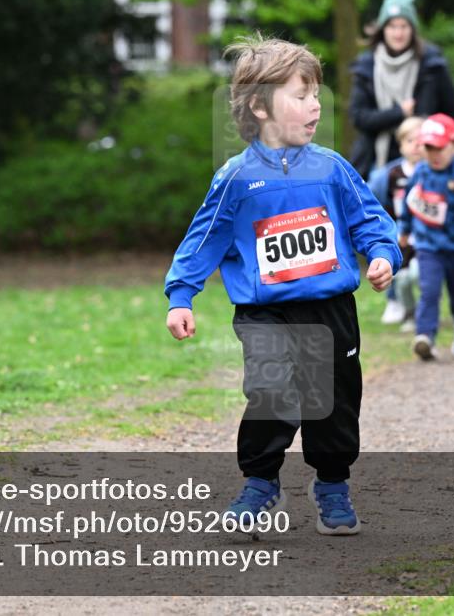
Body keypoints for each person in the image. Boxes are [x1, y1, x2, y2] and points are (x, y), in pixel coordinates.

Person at [164, 34, 401, 536]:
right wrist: (182, 296)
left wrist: (381, 255)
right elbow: (202, 241)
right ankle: (260, 482)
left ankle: (333, 483)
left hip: (331, 307)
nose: (314, 104)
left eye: (317, 94)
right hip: (265, 312)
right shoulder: (236, 178)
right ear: (259, 106)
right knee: (273, 392)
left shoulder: (333, 168)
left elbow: (371, 221)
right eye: (300, 95)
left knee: (334, 399)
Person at [397, 114, 454, 361]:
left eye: (440, 148)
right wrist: (403, 230)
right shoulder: (421, 172)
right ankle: (425, 336)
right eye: (428, 148)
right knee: (429, 290)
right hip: (428, 246)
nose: (434, 154)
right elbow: (409, 202)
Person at [349, 0, 454, 178]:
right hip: (376, 161)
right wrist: (399, 113)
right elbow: (359, 117)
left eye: (404, 26)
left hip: (427, 159)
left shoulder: (432, 64)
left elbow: (452, 112)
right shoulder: (366, 66)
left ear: (413, 29)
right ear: (383, 29)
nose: (398, 33)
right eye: (392, 26)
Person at [368, 116, 424, 328]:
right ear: (400, 146)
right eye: (410, 141)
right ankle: (407, 311)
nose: (416, 146)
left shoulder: (433, 171)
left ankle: (428, 314)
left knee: (422, 274)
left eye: (421, 141)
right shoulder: (390, 174)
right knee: (401, 279)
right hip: (400, 234)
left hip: (426, 235)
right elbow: (372, 199)